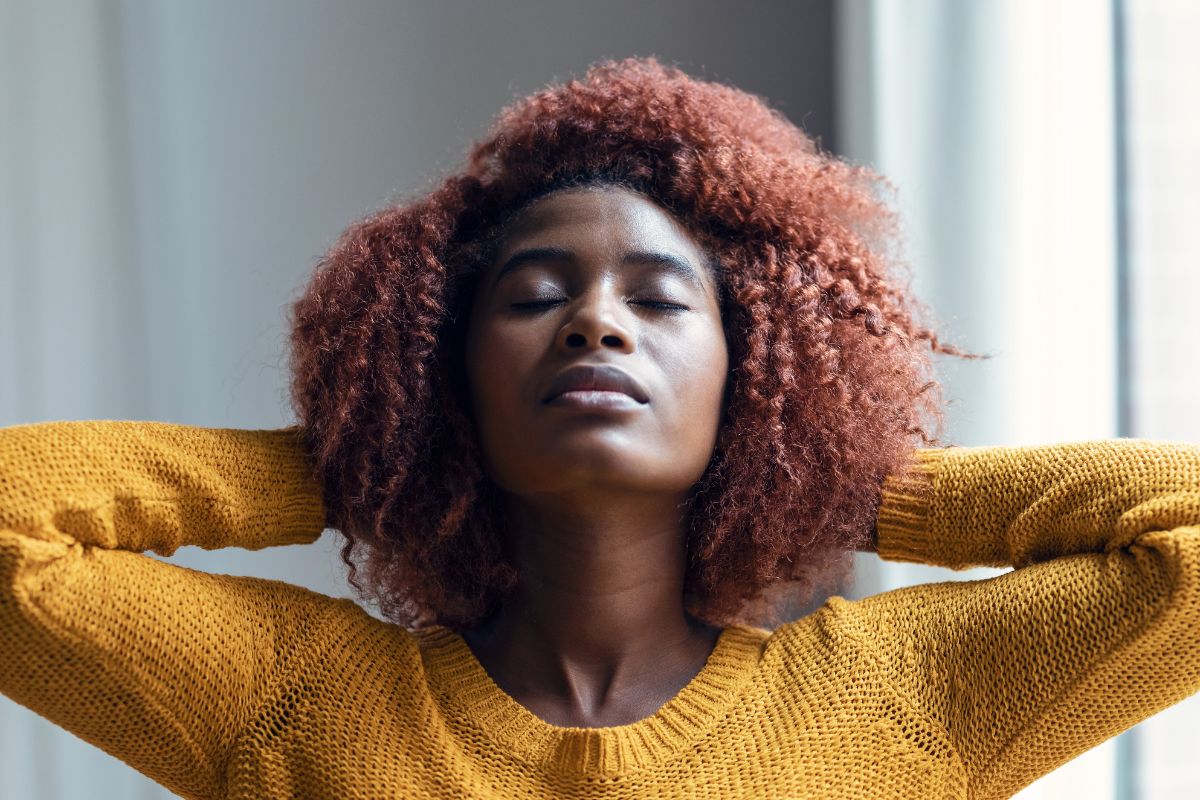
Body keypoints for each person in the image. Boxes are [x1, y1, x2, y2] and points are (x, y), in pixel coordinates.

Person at [1, 56, 1197, 800]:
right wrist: (367, 459)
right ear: (442, 373)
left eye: (662, 299)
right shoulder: (296, 705)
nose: (594, 325)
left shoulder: (904, 703)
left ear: (758, 377)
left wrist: (850, 484)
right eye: (531, 296)